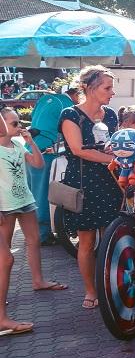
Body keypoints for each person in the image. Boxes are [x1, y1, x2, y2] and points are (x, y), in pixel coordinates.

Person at [59, 66, 123, 310]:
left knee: (112, 237)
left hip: (109, 183)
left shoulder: (111, 115)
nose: (112, 92)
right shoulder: (70, 114)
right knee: (86, 241)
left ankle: (110, 285)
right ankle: (90, 290)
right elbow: (78, 150)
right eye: (107, 87)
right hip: (84, 183)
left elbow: (116, 145)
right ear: (89, 88)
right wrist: (112, 159)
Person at [0, 107, 66, 336]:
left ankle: (38, 280)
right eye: (15, 123)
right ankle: (2, 301)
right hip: (5, 204)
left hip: (24, 200)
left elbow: (38, 164)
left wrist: (31, 142)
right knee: (5, 255)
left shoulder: (18, 145)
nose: (20, 126)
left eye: (19, 122)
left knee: (34, 240)